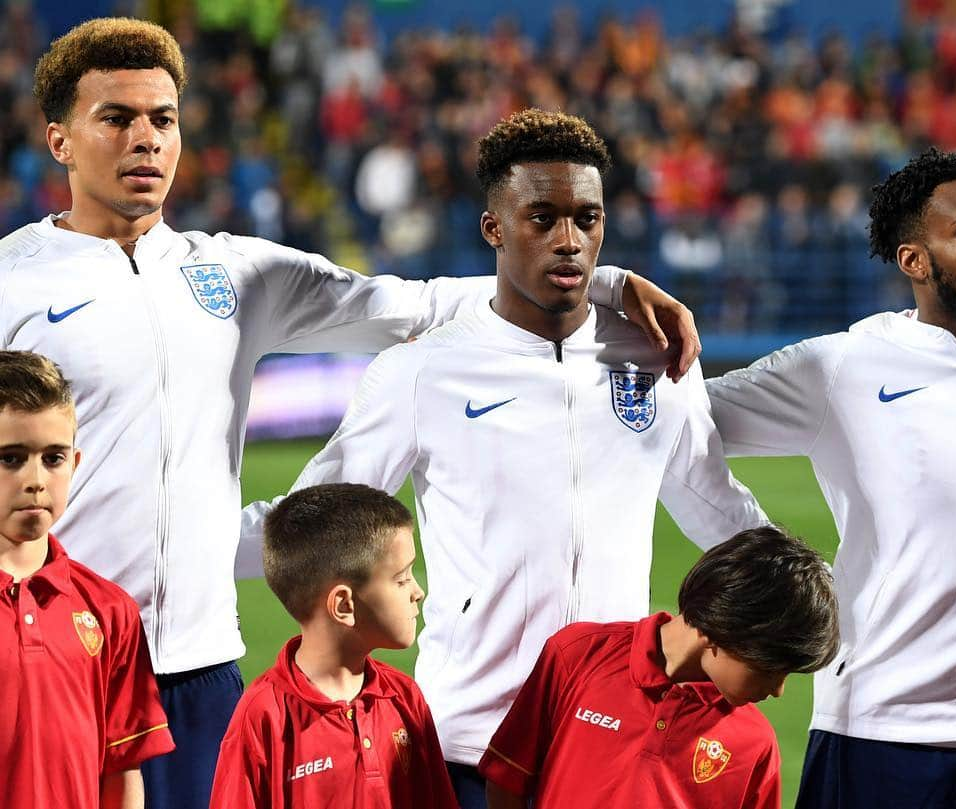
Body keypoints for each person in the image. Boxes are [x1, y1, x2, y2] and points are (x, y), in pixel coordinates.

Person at [0, 18, 700, 808]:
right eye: (117, 119)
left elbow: (412, 306)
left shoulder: (233, 272)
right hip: (56, 656)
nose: (146, 140)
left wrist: (604, 284)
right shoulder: (14, 283)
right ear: (59, 140)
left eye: (163, 120)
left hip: (201, 664)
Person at [241, 108, 767, 809]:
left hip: (610, 741)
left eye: (587, 219)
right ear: (494, 228)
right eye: (542, 218)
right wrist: (167, 550)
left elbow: (719, 509)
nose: (569, 241)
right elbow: (310, 523)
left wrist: (819, 591)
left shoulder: (653, 357)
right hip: (471, 741)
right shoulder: (425, 372)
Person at [707, 148, 956, 808]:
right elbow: (678, 418)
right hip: (876, 734)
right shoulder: (842, 367)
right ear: (914, 260)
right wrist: (748, 536)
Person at [479, 525, 840, 809]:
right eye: (772, 667)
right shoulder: (577, 655)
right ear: (724, 628)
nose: (778, 690)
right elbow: (507, 776)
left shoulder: (755, 743)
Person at [209, 483, 457, 808]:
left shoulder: (404, 697)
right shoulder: (263, 716)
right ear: (344, 605)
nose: (417, 591)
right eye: (401, 578)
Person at [0, 350, 174, 808]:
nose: (36, 480)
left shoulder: (110, 609)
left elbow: (122, 767)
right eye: (11, 458)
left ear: (75, 464)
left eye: (52, 458)